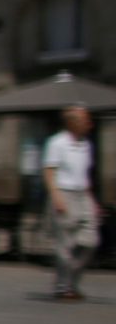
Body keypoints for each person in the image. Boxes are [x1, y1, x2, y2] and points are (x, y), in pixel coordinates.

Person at [45, 105, 100, 301]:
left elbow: (84, 174)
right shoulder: (57, 142)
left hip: (82, 194)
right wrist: (56, 196)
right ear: (72, 123)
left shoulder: (86, 144)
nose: (89, 124)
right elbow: (49, 172)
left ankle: (69, 279)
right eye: (86, 120)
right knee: (65, 245)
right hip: (64, 192)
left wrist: (92, 200)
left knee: (91, 241)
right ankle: (65, 287)